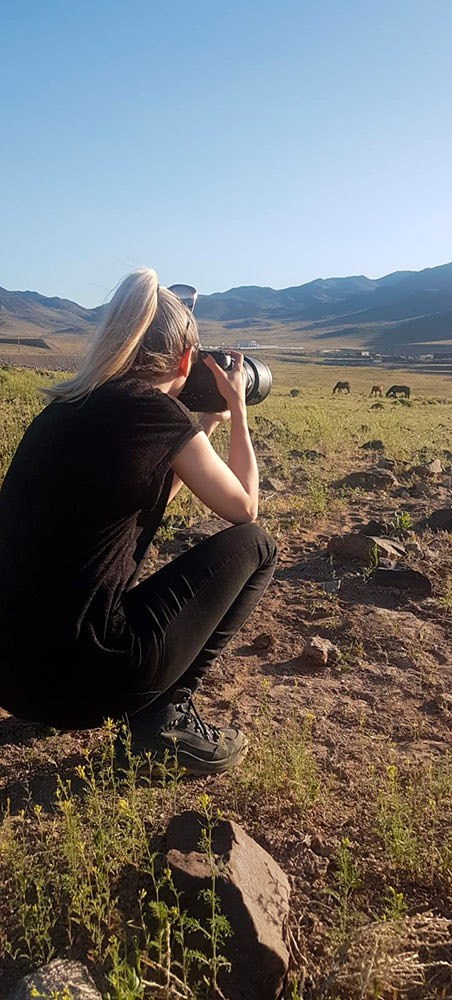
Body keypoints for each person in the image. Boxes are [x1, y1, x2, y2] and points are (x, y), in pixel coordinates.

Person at [0, 268, 277, 774]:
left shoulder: (64, 407)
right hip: (82, 681)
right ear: (185, 359)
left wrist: (201, 429)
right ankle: (162, 719)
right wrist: (236, 407)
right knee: (258, 545)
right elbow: (244, 508)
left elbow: (137, 510)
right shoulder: (152, 412)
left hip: (15, 683)